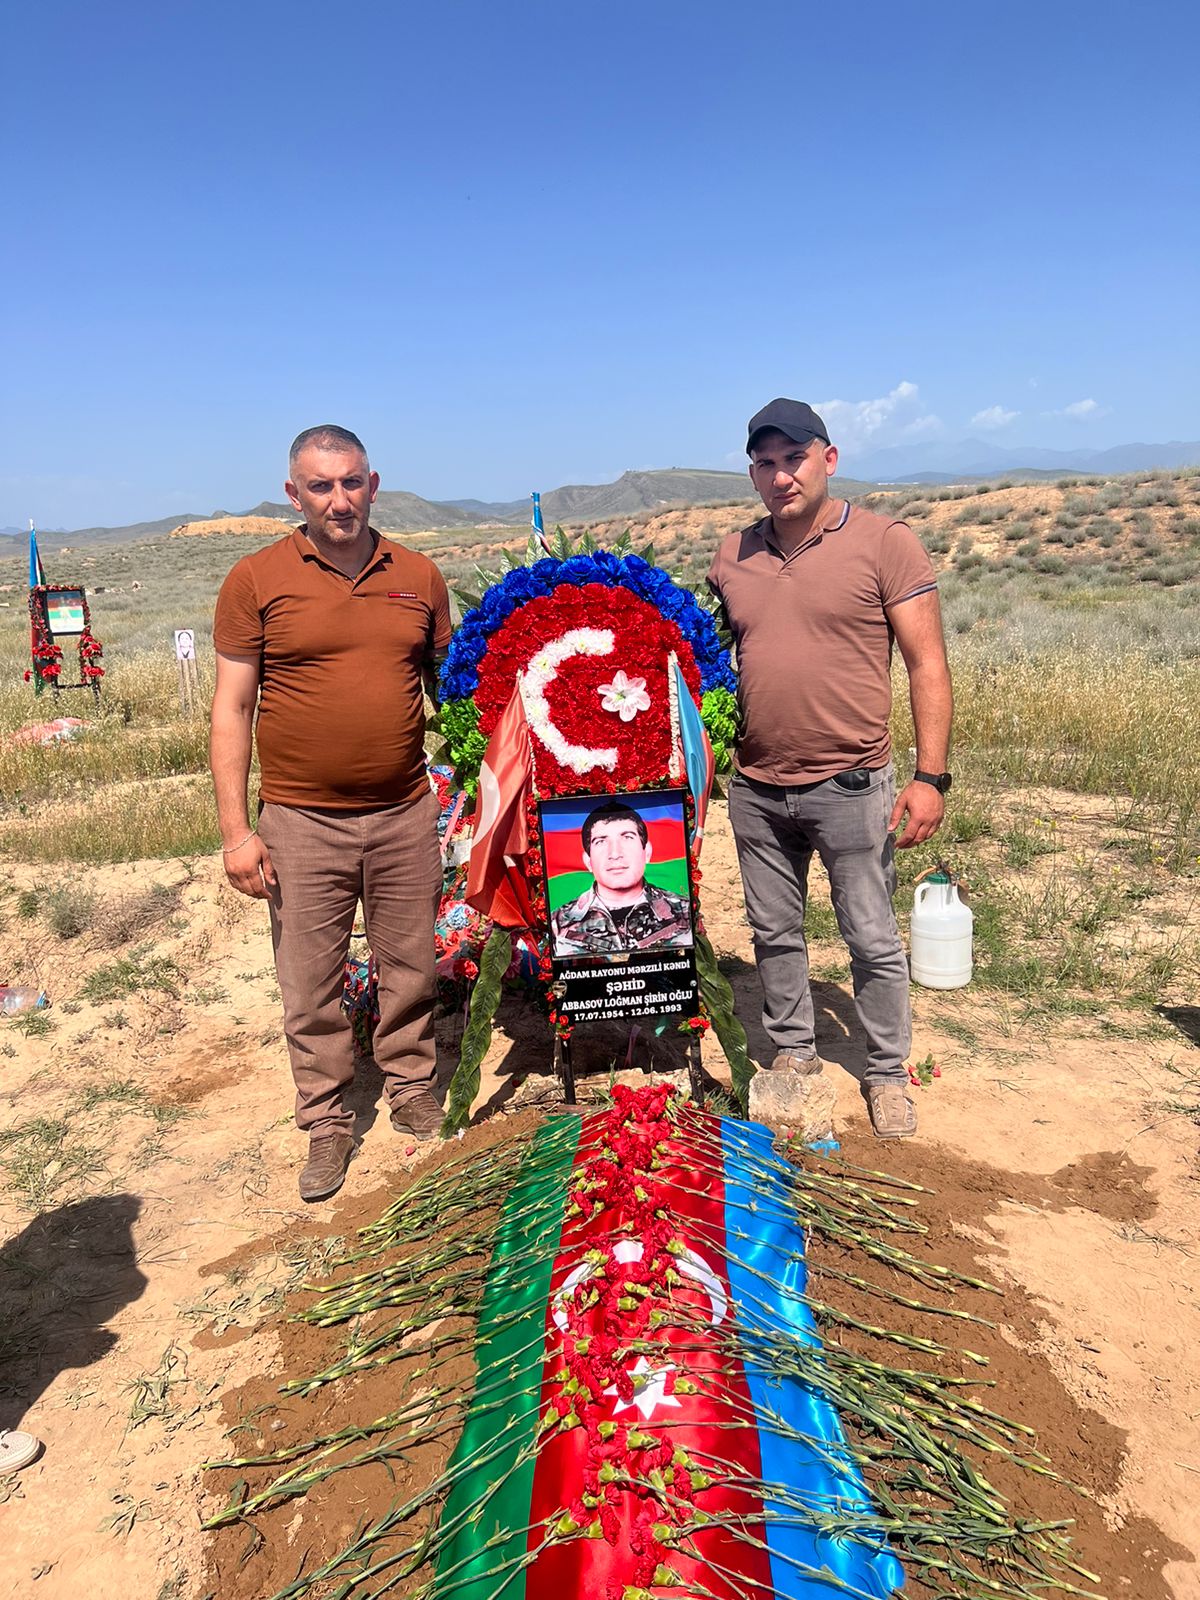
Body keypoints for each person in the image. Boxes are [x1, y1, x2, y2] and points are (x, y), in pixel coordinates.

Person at [210, 425, 451, 1200]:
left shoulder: (418, 576)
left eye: (351, 482)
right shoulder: (256, 579)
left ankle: (411, 1084)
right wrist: (236, 833)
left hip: (404, 810)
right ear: (295, 493)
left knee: (410, 964)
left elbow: (454, 692)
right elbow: (232, 708)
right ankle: (325, 1118)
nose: (339, 500)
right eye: (321, 486)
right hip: (299, 820)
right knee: (309, 982)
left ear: (373, 485)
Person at [707, 399, 953, 1139]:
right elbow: (708, 667)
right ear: (753, 473)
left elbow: (927, 662)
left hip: (852, 783)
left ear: (829, 459)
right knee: (774, 932)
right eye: (766, 463)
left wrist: (930, 777)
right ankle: (794, 1053)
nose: (781, 475)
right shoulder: (731, 555)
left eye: (795, 458)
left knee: (871, 937)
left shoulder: (885, 543)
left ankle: (887, 1074)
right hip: (756, 786)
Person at [551, 801, 693, 956]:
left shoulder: (684, 911)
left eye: (627, 837)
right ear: (588, 861)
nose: (615, 854)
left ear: (647, 852)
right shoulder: (558, 922)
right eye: (601, 841)